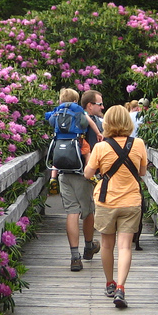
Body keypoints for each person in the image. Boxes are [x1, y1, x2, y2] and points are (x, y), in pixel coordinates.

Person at [84, 104, 148, 309]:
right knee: (125, 246)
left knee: (107, 245)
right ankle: (121, 287)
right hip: (131, 201)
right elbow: (143, 172)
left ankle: (110, 284)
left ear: (108, 123)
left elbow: (88, 174)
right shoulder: (138, 144)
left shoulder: (101, 147)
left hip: (106, 201)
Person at [49, 88, 102, 272]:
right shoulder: (81, 116)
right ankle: (88, 246)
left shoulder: (58, 116)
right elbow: (90, 130)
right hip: (82, 171)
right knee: (87, 211)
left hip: (63, 170)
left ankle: (74, 257)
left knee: (71, 212)